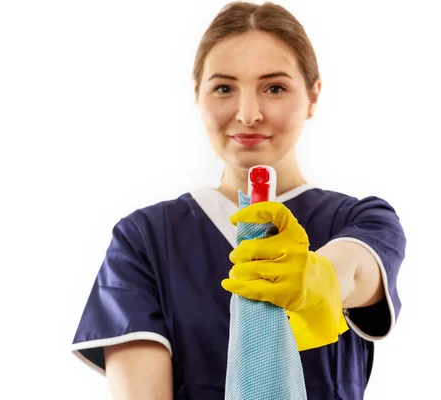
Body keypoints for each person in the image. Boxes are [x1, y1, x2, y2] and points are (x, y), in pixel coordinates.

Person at [70, 1, 407, 399]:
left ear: (313, 96)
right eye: (224, 88)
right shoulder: (144, 241)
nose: (248, 114)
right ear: (198, 95)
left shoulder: (363, 220)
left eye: (275, 88)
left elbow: (354, 270)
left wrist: (319, 278)